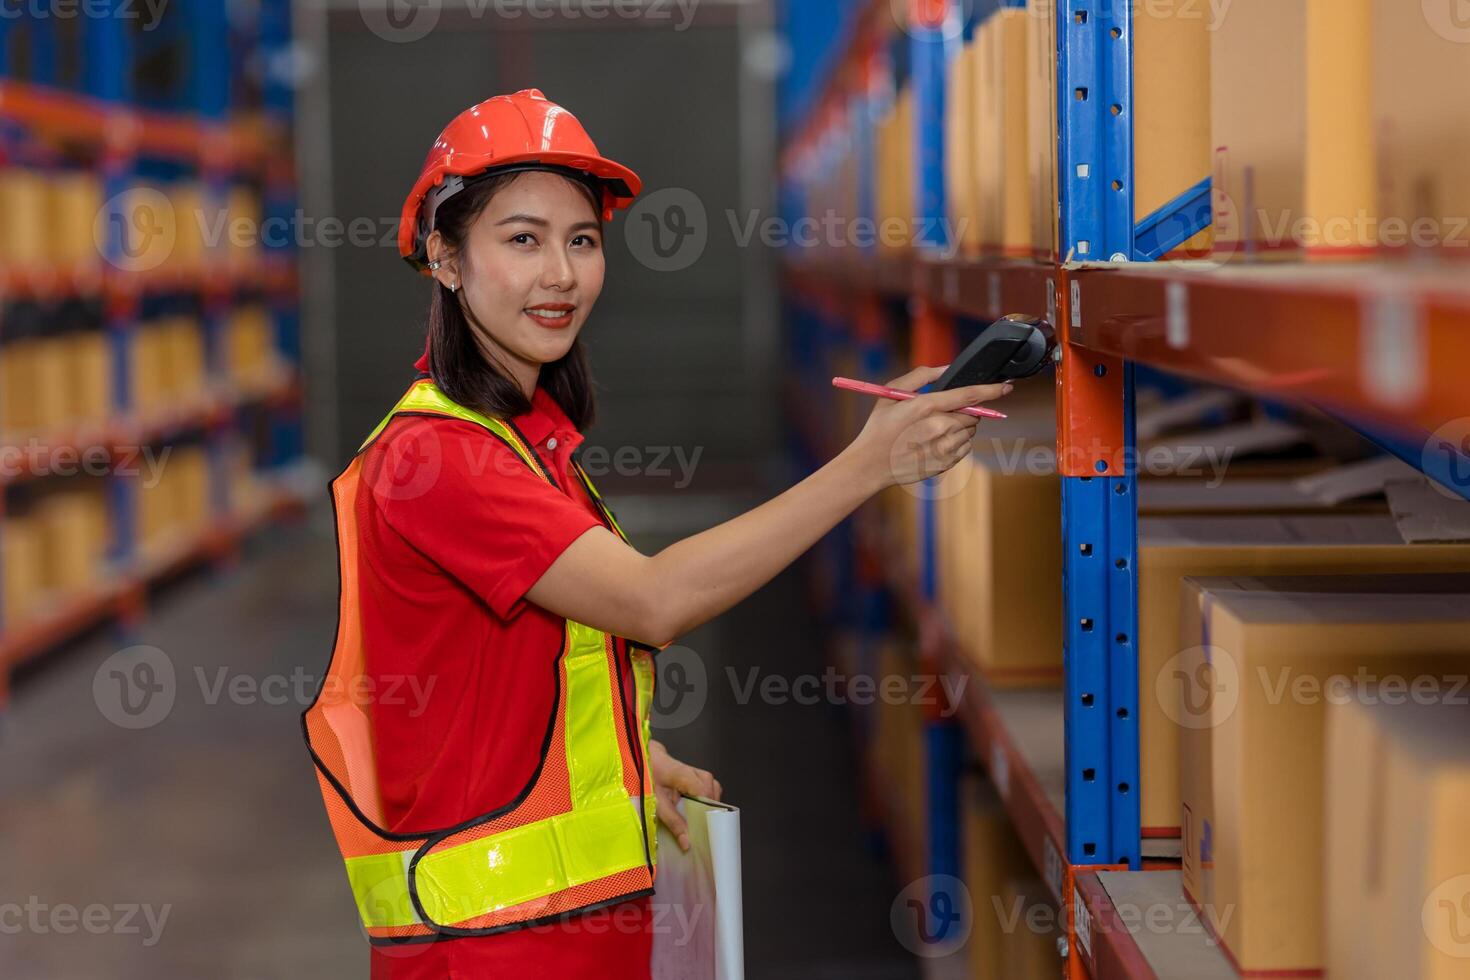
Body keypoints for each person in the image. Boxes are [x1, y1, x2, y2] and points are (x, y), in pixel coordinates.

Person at [302, 89, 1010, 980]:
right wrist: (868, 465)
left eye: (582, 240)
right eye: (522, 239)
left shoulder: (523, 442)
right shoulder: (438, 459)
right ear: (445, 258)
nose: (560, 274)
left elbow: (501, 673)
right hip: (496, 951)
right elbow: (654, 602)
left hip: (566, 931)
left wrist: (630, 766)